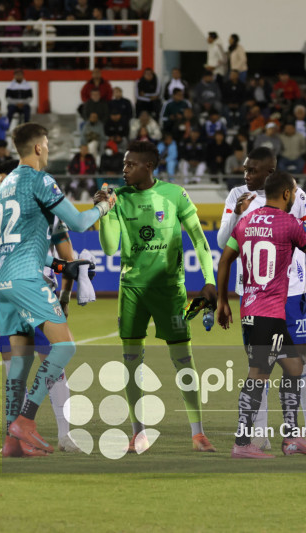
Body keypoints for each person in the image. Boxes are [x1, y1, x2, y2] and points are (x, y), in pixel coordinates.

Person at [0, 123, 114, 456]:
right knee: (65, 347)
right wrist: (105, 207)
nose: (47, 149)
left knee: (19, 363)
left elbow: (18, 240)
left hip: (1, 279)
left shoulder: (5, 187)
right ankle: (26, 421)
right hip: (26, 278)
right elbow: (77, 222)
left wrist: (62, 267)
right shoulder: (39, 179)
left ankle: (11, 442)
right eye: (46, 144)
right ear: (37, 148)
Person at [98, 140, 217, 454]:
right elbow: (110, 248)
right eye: (124, 164)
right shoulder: (119, 198)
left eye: (130, 164)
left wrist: (209, 280)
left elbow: (200, 241)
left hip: (169, 292)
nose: (124, 170)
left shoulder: (174, 195)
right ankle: (139, 432)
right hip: (132, 291)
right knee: (131, 361)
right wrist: (105, 213)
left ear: (148, 166)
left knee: (183, 360)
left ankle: (198, 432)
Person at [0, 159, 81, 453]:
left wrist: (64, 297)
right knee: (15, 368)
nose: (3, 186)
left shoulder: (48, 213)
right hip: (12, 298)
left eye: (6, 180)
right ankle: (14, 441)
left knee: (54, 365)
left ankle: (65, 435)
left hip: (40, 296)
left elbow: (68, 261)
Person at [216, 171, 306, 458]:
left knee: (294, 367)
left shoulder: (246, 221)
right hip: (269, 313)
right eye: (294, 192)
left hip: (251, 308)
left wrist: (223, 301)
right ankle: (242, 443)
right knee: (258, 375)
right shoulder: (288, 224)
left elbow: (224, 260)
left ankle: (291, 438)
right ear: (286, 194)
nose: (296, 196)